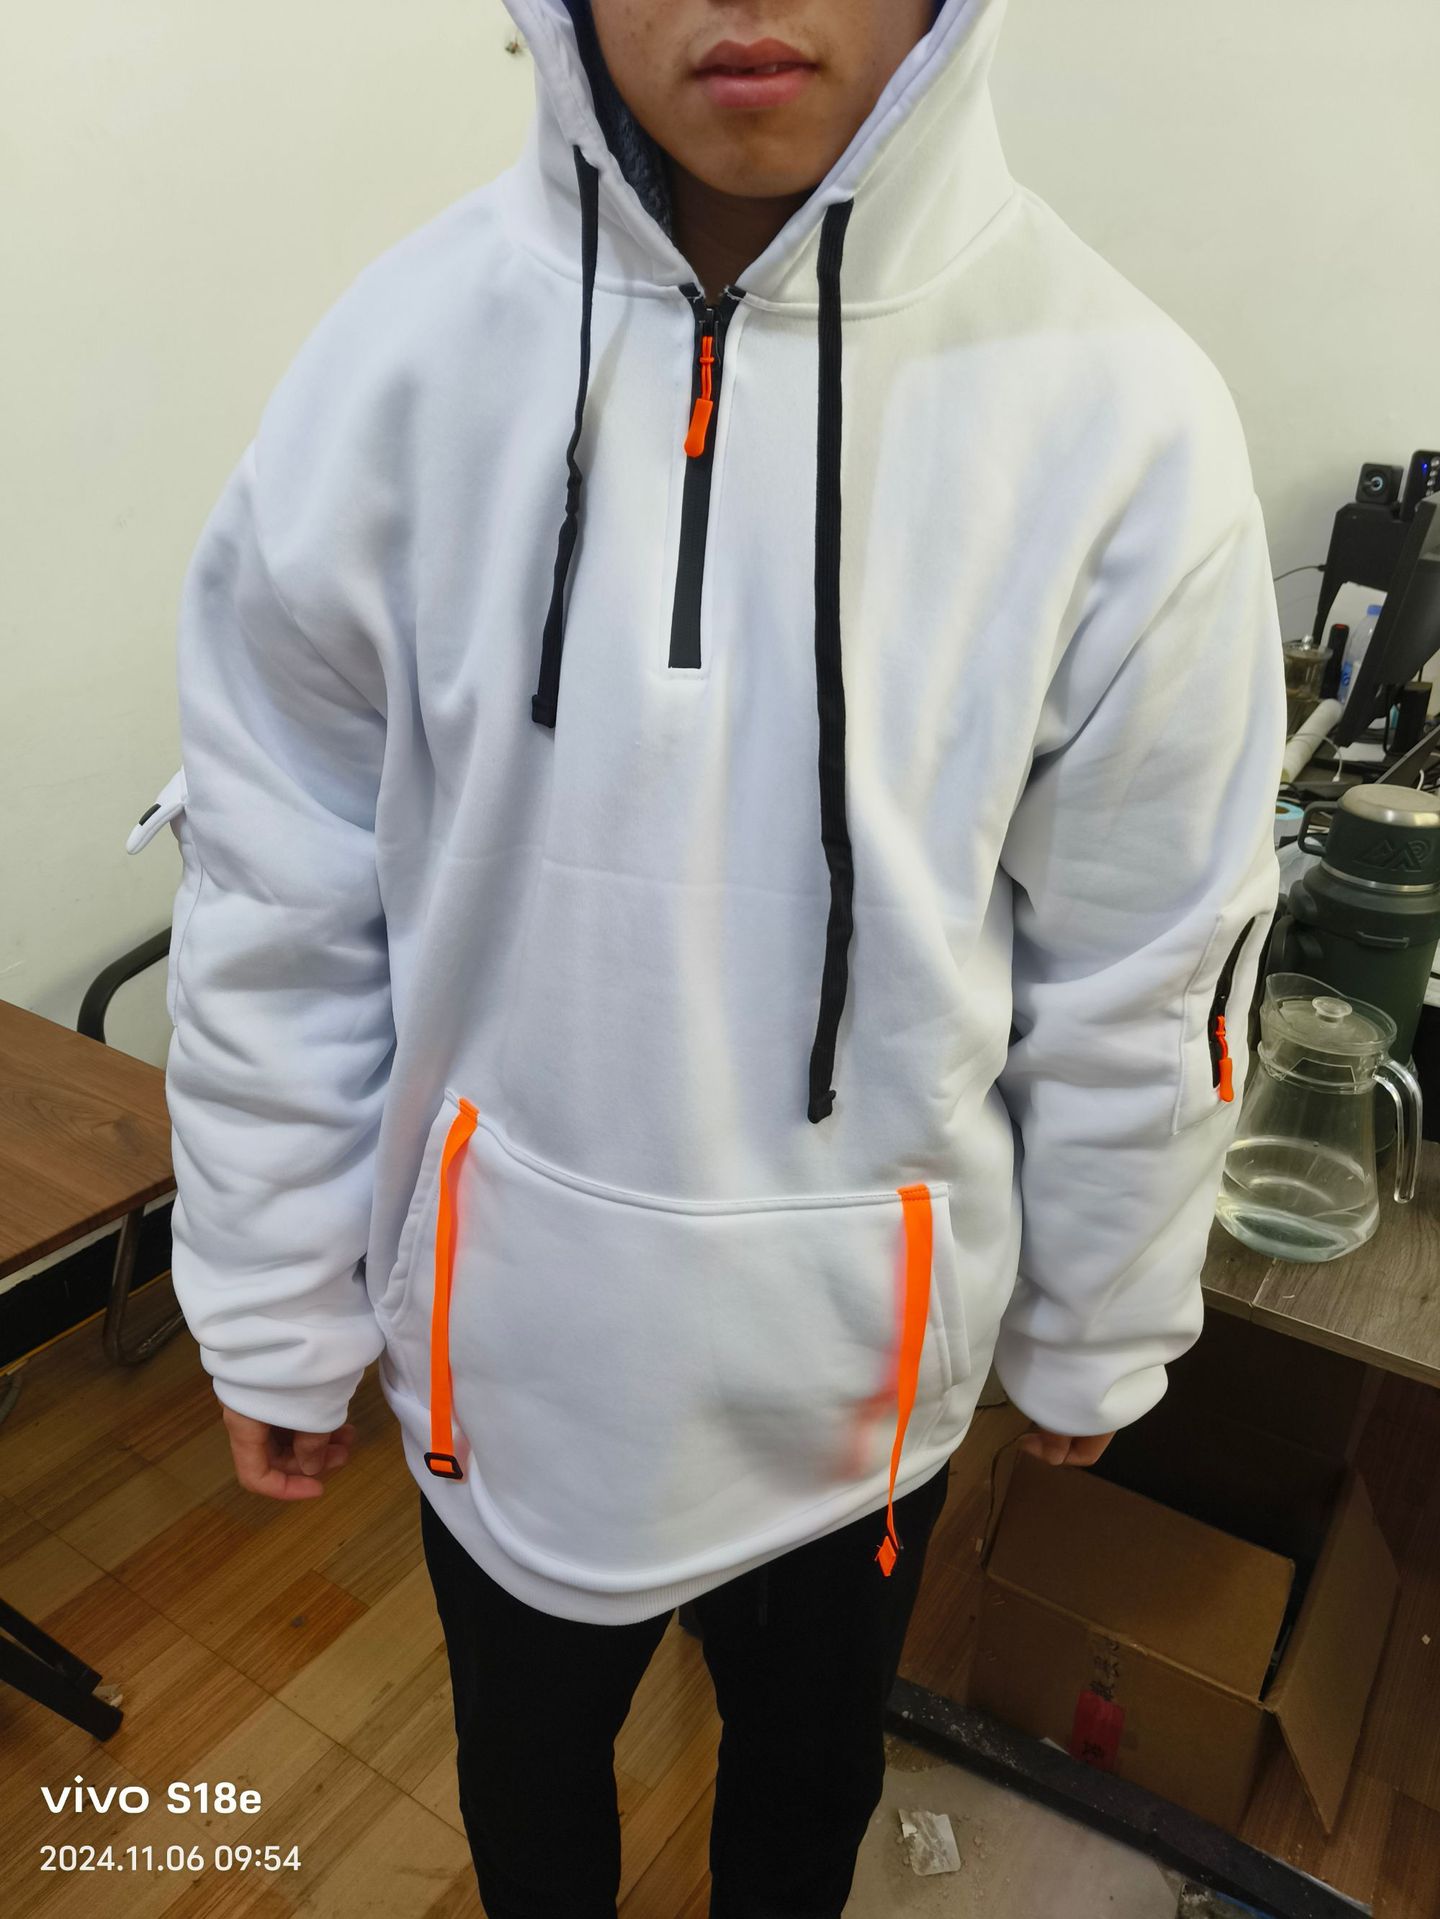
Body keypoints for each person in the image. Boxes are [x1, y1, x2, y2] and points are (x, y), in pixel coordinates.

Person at [148, 0, 1287, 1911]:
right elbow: (280, 878)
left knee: (803, 1804)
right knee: (528, 1806)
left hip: (853, 1391)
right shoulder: (398, 362)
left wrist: (1102, 1316)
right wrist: (269, 1288)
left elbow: (1147, 953)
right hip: (505, 1361)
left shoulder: (1117, 412)